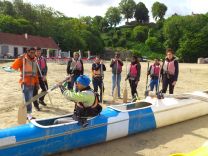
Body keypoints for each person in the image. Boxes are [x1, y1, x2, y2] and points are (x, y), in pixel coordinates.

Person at [11, 48, 39, 120]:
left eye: (34, 53)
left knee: (28, 99)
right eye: (31, 52)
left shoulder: (34, 61)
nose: (33, 54)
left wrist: (37, 83)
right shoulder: (23, 59)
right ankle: (29, 115)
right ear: (28, 52)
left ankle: (27, 114)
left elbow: (35, 74)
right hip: (25, 83)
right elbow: (14, 67)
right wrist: (19, 59)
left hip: (32, 83)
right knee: (28, 99)